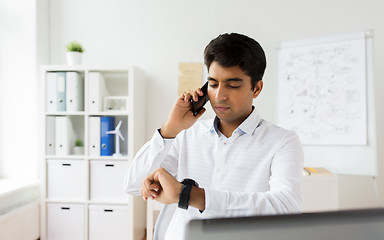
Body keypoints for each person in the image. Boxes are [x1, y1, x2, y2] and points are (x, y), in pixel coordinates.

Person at [125, 33, 304, 240]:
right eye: (213, 84)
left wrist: (189, 195)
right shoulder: (186, 134)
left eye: (233, 85)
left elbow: (286, 207)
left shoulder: (282, 142)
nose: (219, 96)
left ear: (256, 88)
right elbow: (132, 185)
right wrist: (169, 130)